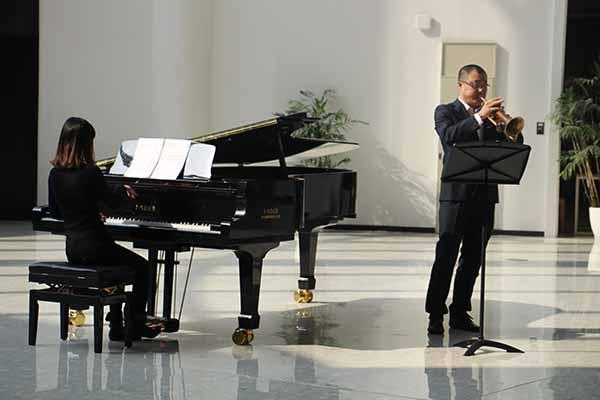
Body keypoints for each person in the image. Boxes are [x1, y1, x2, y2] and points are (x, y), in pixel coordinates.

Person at [426, 64, 522, 335]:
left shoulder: (491, 118)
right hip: (455, 197)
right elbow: (449, 136)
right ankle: (435, 313)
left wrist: (506, 126)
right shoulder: (445, 111)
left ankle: (459, 312)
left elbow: (515, 144)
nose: (480, 89)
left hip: (484, 196)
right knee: (446, 255)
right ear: (460, 85)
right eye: (475, 84)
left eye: (483, 84)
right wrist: (479, 117)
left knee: (472, 259)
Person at [48, 117, 160, 340]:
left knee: (118, 264)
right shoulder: (91, 172)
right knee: (144, 268)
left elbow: (56, 212)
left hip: (74, 250)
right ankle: (136, 322)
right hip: (96, 248)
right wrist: (125, 191)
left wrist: (86, 213)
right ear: (86, 144)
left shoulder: (55, 174)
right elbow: (113, 203)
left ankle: (117, 325)